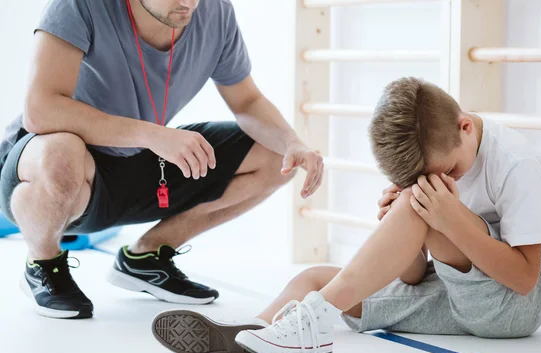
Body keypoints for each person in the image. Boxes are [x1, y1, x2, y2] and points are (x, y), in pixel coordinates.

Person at [151, 77, 541, 353]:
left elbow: (527, 279)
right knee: (314, 279)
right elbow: (414, 277)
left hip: (516, 307)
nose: (445, 181)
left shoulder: (516, 163)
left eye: (451, 171)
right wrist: (408, 229)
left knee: (420, 206)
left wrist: (445, 219)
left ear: (465, 126)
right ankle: (256, 332)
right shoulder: (436, 171)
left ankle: (309, 325)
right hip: (453, 295)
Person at [0, 0, 324, 320]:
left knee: (278, 156)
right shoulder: (79, 5)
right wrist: (153, 135)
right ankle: (43, 263)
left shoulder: (215, 11)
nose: (188, 3)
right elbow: (41, 109)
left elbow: (247, 100)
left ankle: (148, 256)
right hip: (55, 167)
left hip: (140, 157)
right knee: (61, 153)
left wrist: (292, 142)